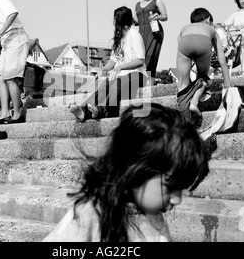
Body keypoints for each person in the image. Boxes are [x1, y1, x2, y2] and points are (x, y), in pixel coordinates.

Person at [43, 103, 210, 242]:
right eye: (170, 186)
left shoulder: (154, 215)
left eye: (181, 188)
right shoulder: (90, 214)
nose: (177, 199)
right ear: (133, 168)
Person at [69, 6, 147, 122]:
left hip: (138, 75)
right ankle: (84, 111)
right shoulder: (119, 39)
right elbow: (113, 61)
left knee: (115, 85)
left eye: (114, 18)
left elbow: (140, 60)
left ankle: (103, 113)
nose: (113, 21)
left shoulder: (134, 35)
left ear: (119, 20)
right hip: (121, 76)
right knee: (105, 84)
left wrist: (120, 68)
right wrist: (102, 70)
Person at [176, 8, 231, 119]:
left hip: (184, 42)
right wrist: (228, 85)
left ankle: (184, 119)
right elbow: (222, 60)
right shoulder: (211, 29)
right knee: (202, 77)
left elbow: (181, 48)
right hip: (203, 41)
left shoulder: (184, 28)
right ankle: (194, 102)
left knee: (182, 85)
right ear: (209, 19)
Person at [134, 0, 168, 85]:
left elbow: (165, 16)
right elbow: (136, 21)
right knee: (141, 58)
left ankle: (150, 85)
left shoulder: (157, 1)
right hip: (141, 35)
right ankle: (143, 84)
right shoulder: (137, 4)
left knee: (150, 58)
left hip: (154, 33)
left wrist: (158, 17)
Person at [225, 0, 244, 74]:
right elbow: (226, 24)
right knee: (242, 62)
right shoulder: (236, 14)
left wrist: (243, 26)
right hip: (239, 42)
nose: (243, 1)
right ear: (238, 1)